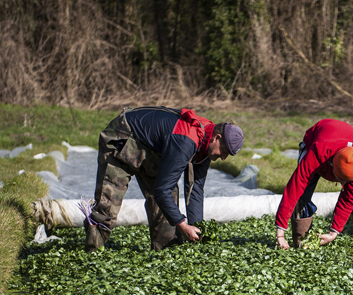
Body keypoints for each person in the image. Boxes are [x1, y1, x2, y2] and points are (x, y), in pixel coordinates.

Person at [83, 106, 244, 251]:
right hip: (123, 136)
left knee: (168, 206)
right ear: (216, 138)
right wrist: (183, 225)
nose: (223, 158)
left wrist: (197, 230)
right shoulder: (186, 140)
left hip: (152, 148)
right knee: (108, 206)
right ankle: (92, 251)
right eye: (224, 151)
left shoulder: (206, 144)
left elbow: (195, 188)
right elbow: (162, 191)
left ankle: (167, 252)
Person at [274, 119, 353, 251]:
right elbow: (294, 188)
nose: (342, 184)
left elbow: (348, 198)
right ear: (332, 166)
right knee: (302, 193)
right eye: (340, 179)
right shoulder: (318, 152)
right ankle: (301, 242)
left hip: (341, 142)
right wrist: (280, 232)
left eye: (347, 181)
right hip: (318, 140)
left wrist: (334, 232)